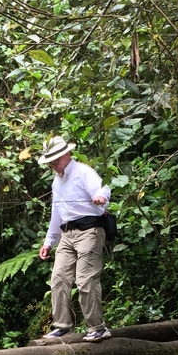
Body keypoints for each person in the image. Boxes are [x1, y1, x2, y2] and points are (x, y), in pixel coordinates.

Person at [37, 135, 112, 342]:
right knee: (58, 278)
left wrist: (101, 197)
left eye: (56, 160)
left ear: (66, 154)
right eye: (50, 161)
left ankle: (98, 327)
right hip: (67, 234)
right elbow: (56, 214)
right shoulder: (56, 181)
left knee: (86, 279)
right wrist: (49, 241)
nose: (53, 164)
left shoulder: (82, 171)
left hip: (89, 230)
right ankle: (62, 326)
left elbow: (103, 188)